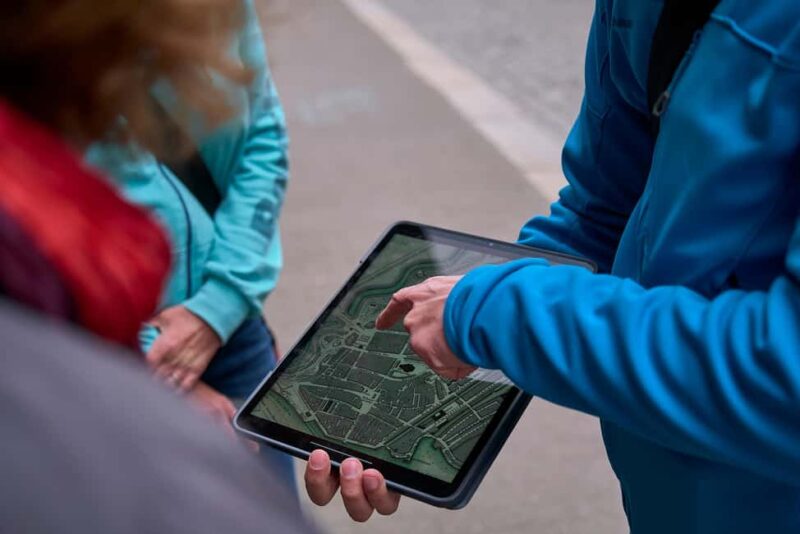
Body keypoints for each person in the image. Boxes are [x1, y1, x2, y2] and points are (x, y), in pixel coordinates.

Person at [305, 1, 800, 532]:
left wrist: (492, 312)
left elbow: (787, 367)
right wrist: (396, 415)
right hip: (663, 496)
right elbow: (599, 214)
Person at [85, 0, 294, 485]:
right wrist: (153, 363)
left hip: (229, 330)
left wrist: (222, 304)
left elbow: (260, 137)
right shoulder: (29, 30)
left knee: (270, 509)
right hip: (94, 354)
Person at [0, 300, 316, 534]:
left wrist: (220, 309)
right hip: (106, 348)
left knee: (267, 500)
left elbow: (254, 229)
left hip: (237, 329)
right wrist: (158, 367)